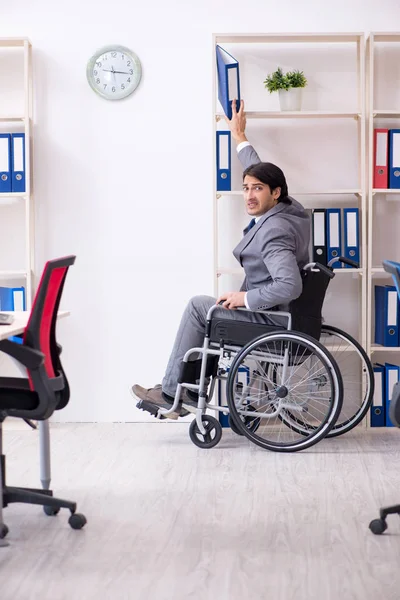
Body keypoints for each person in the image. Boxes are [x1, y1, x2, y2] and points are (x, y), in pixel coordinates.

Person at [131, 99, 311, 419]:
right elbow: (259, 171)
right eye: (245, 188)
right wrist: (240, 136)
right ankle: (183, 391)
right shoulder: (290, 209)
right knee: (212, 312)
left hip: (272, 321)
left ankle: (174, 394)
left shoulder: (275, 231)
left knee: (200, 306)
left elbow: (289, 286)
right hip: (282, 317)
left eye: (257, 189)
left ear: (276, 192)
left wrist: (244, 298)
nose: (250, 195)